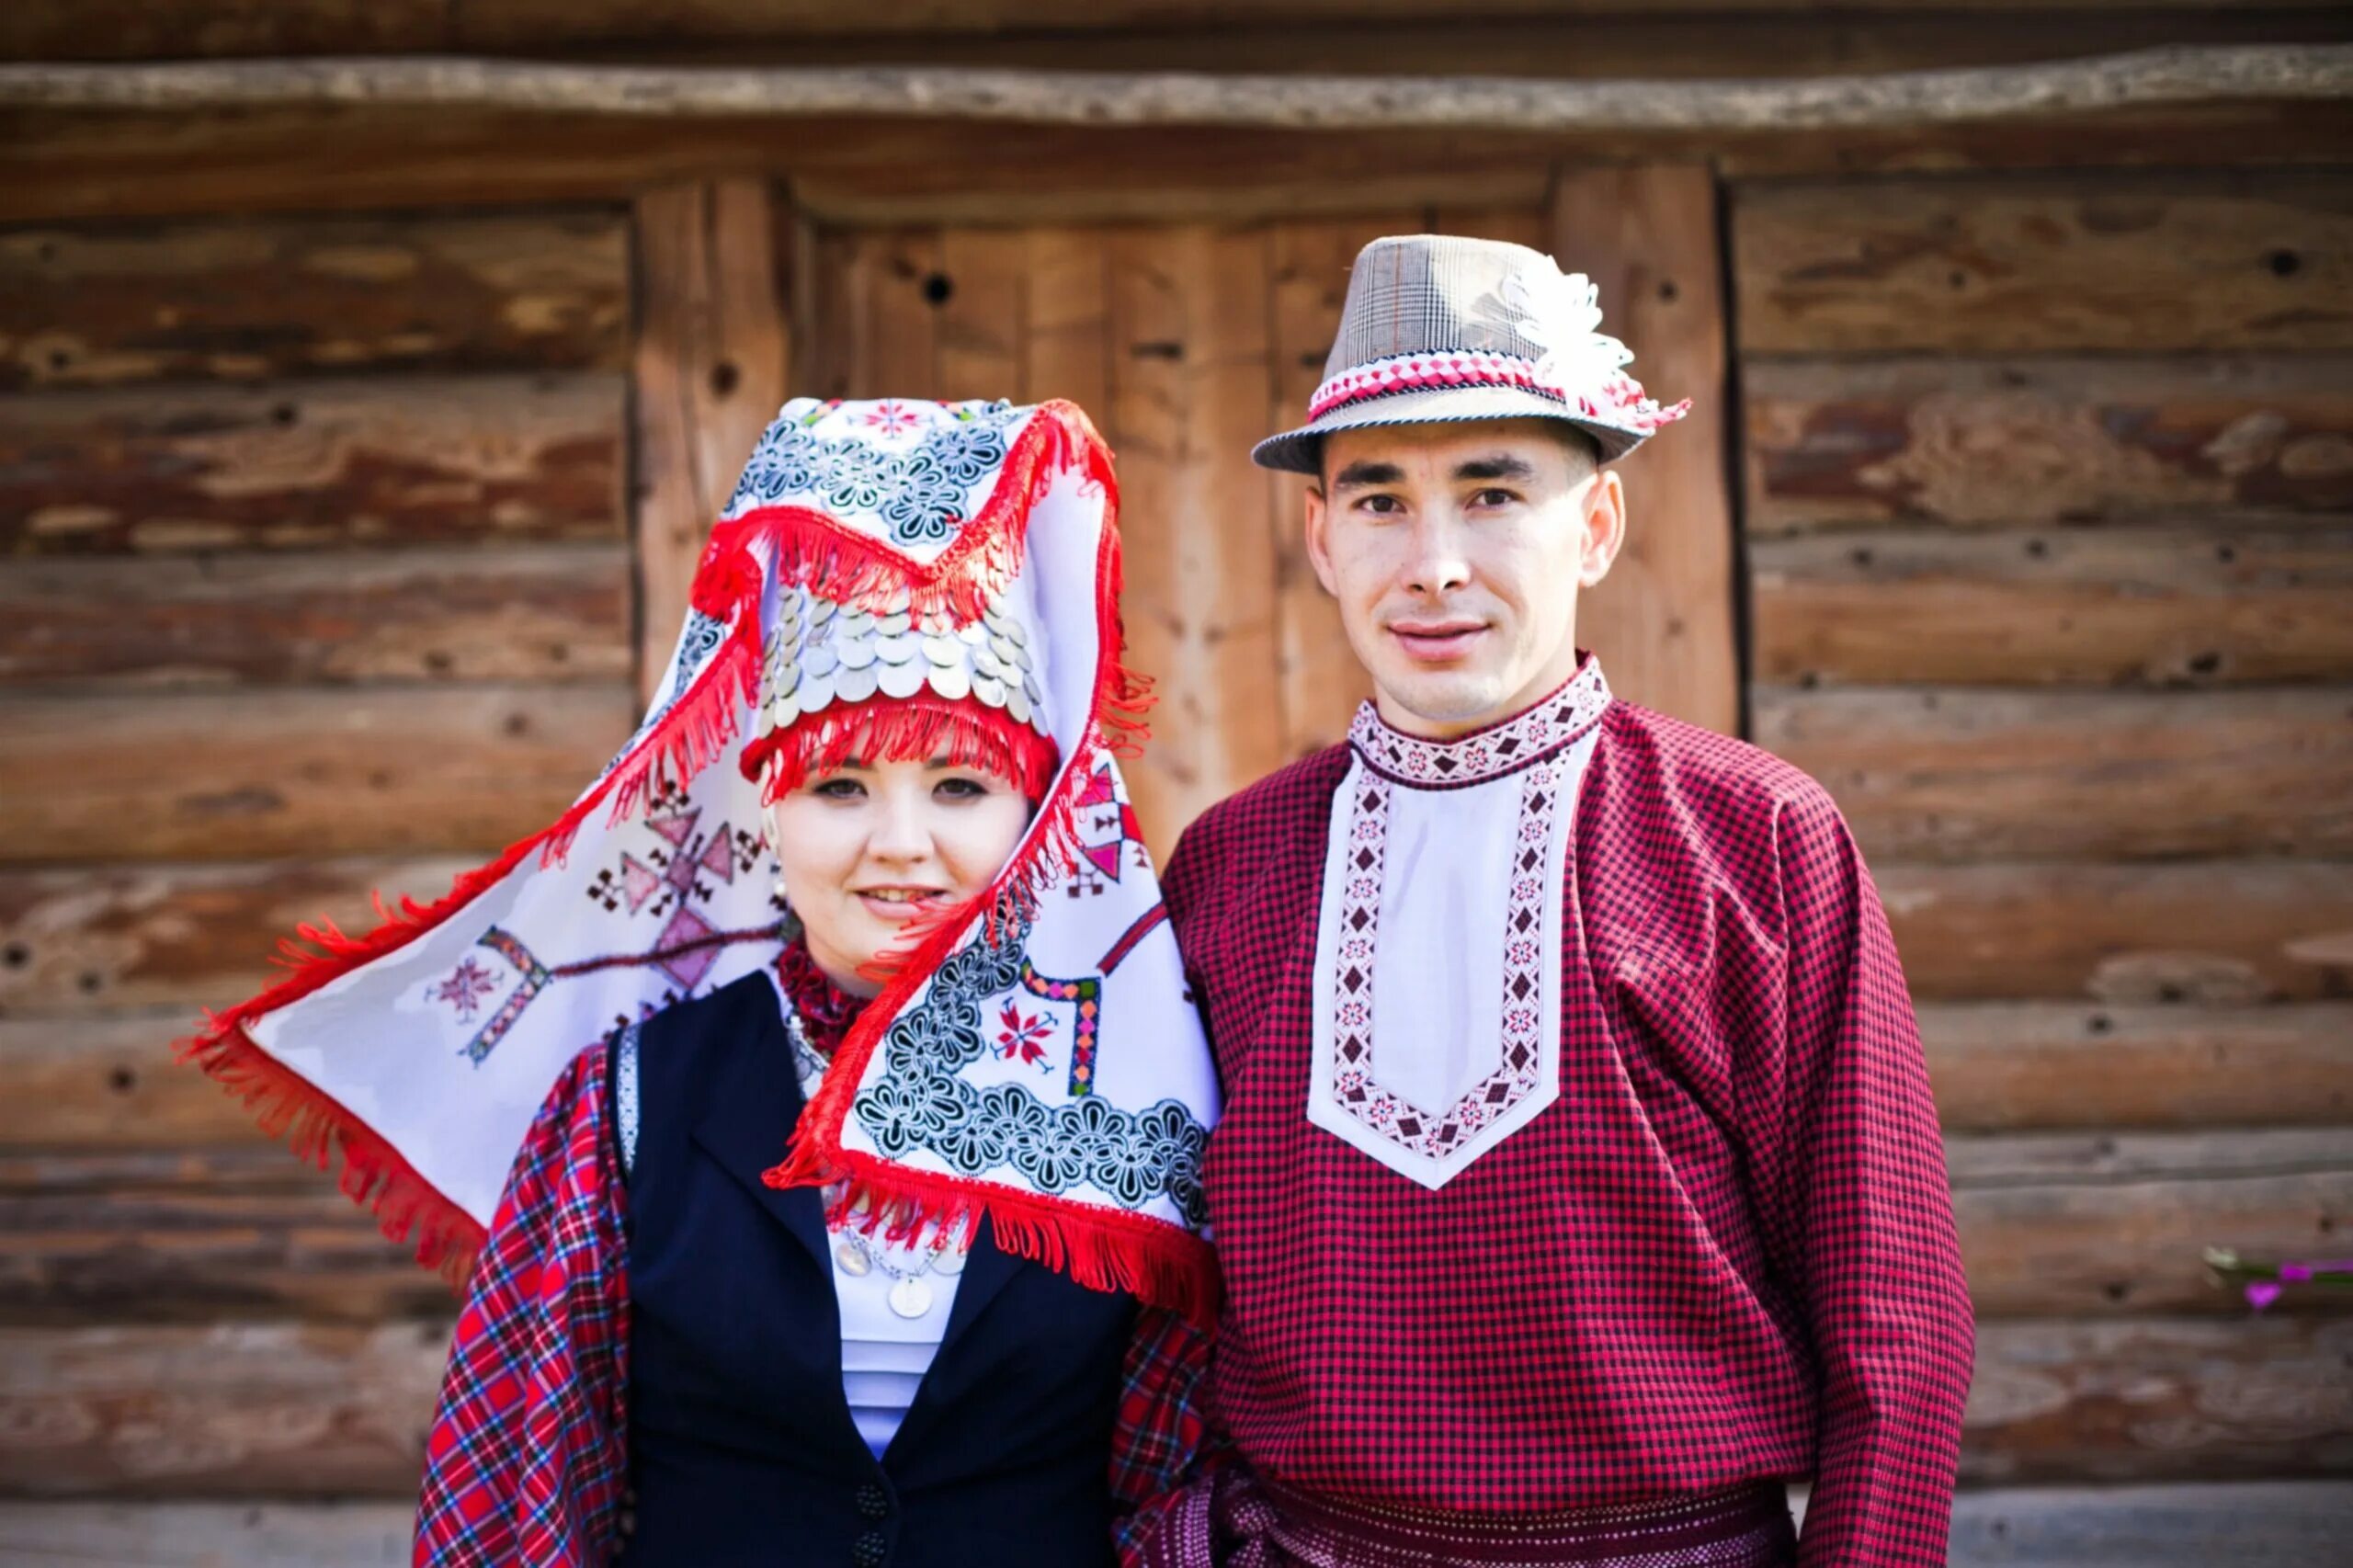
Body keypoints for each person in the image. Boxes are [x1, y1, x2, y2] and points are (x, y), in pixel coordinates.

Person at [181, 397, 1220, 1567]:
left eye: (960, 787)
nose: (900, 843)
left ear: (1034, 816)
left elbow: (1173, 1483)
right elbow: (525, 1493)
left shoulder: (1132, 1100)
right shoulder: (620, 1106)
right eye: (839, 787)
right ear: (766, 810)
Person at [1140, 236, 1974, 1567]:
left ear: (1595, 524)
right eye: (1377, 503)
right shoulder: (1230, 865)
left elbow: (1896, 1311)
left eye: (1491, 493)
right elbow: (1157, 1274)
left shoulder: (1752, 837)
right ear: (1318, 537)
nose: (1433, 564)